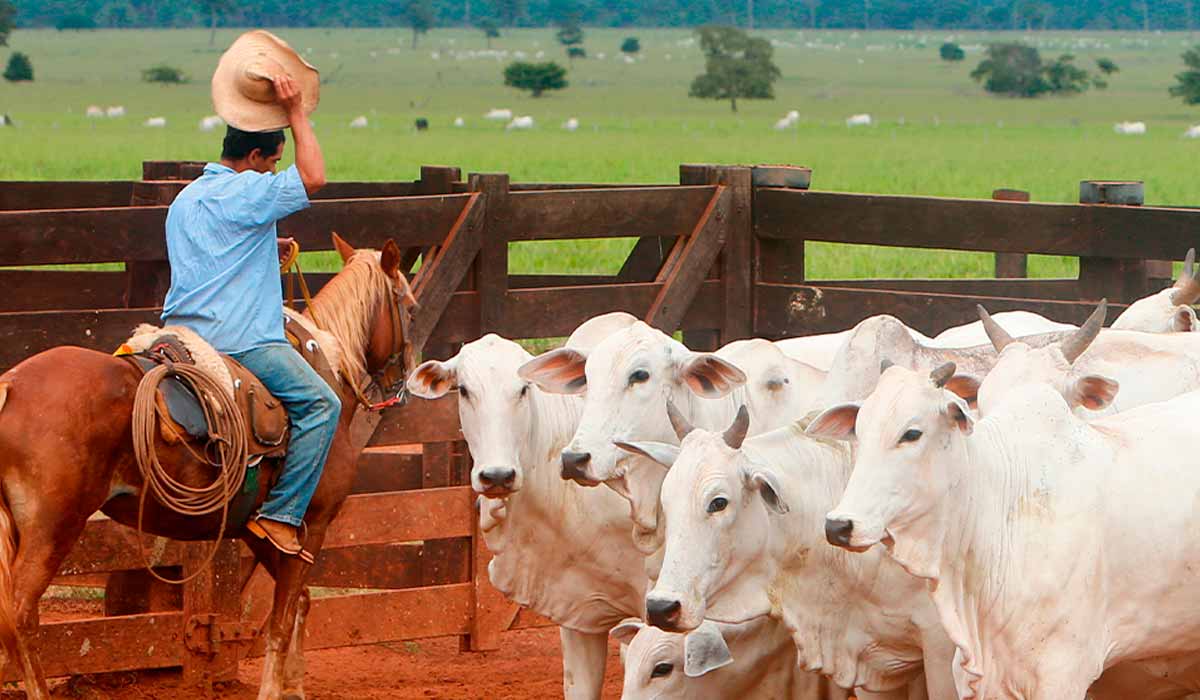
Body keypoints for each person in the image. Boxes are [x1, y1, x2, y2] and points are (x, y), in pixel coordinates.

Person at [162, 31, 333, 562]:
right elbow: (315, 178)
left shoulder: (188, 198)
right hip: (240, 341)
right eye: (270, 162)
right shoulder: (248, 191)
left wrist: (266, 243)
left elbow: (214, 254)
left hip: (180, 333)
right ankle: (280, 516)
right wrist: (297, 113)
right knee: (322, 405)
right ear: (257, 155)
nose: (272, 173)